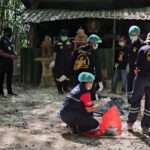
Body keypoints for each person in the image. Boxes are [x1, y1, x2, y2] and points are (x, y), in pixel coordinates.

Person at [127, 33, 150, 134]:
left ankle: (130, 124)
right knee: (149, 104)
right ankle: (145, 127)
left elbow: (137, 64)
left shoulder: (143, 49)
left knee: (135, 100)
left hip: (141, 78)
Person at [72, 34, 103, 100]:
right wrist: (99, 80)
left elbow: (72, 62)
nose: (97, 44)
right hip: (89, 77)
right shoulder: (94, 51)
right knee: (91, 96)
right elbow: (98, 67)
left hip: (78, 76)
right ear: (92, 42)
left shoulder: (78, 50)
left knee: (78, 95)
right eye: (96, 42)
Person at [50, 29, 73, 94]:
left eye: (65, 35)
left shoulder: (69, 42)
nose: (64, 36)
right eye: (63, 35)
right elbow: (54, 53)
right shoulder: (57, 43)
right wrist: (53, 61)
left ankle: (65, 88)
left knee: (66, 75)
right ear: (60, 35)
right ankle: (60, 90)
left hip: (68, 62)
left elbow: (72, 52)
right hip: (59, 63)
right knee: (59, 75)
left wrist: (72, 60)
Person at [0, 27, 18, 98]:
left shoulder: (10, 41)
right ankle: (1, 92)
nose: (11, 33)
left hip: (10, 62)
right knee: (1, 77)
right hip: (3, 62)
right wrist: (10, 55)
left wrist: (15, 54)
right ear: (6, 32)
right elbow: (1, 53)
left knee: (9, 77)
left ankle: (9, 91)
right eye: (10, 32)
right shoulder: (1, 41)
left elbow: (12, 50)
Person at [127, 25, 145, 93]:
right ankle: (129, 98)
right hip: (131, 68)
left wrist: (138, 69)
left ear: (138, 34)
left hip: (138, 70)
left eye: (134, 35)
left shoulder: (142, 44)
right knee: (130, 85)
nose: (132, 36)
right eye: (131, 34)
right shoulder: (131, 43)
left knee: (137, 87)